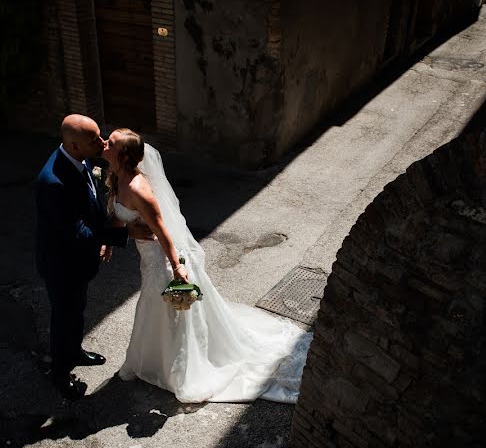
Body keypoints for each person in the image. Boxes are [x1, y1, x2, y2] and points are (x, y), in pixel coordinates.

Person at [102, 128, 312, 403]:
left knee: (171, 310)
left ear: (123, 156)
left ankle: (181, 369)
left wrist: (177, 267)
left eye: (111, 143)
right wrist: (112, 239)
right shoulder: (117, 179)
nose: (104, 144)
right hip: (147, 258)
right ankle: (157, 361)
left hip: (161, 258)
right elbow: (119, 217)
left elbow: (163, 231)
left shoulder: (140, 189)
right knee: (155, 308)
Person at [35, 115, 152, 398]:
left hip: (79, 261)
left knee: (76, 311)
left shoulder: (82, 159)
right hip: (62, 264)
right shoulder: (53, 182)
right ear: (74, 145)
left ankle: (75, 352)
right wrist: (124, 235)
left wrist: (108, 228)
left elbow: (91, 205)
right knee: (64, 317)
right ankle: (61, 375)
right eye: (94, 140)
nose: (101, 143)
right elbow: (77, 233)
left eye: (100, 136)